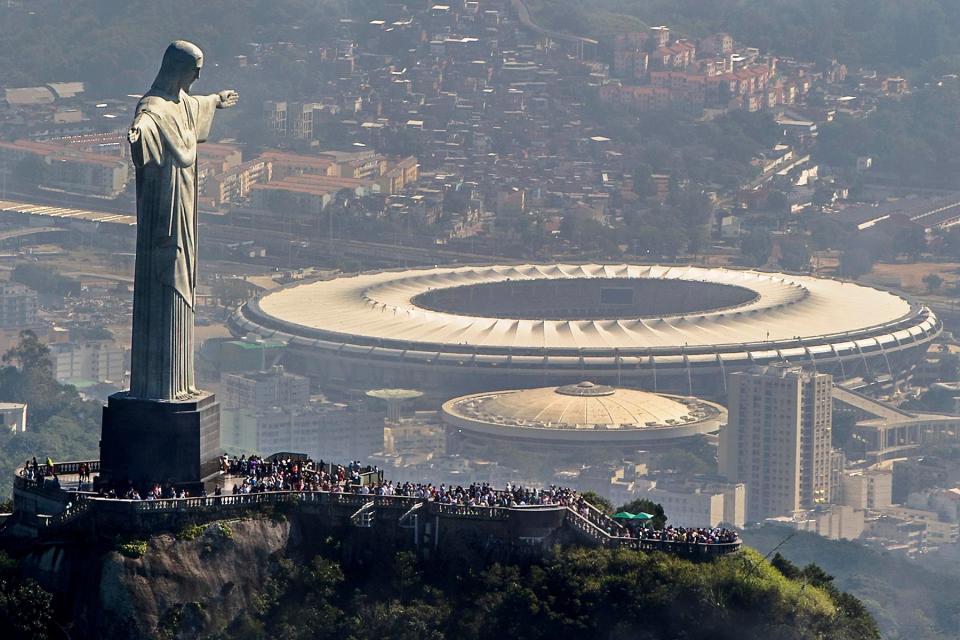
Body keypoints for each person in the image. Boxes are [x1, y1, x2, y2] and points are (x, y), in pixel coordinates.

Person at [127, 40, 238, 400]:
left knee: (184, 281)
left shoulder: (182, 104)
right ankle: (161, 387)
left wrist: (217, 100)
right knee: (166, 280)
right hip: (165, 211)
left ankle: (180, 384)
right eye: (195, 70)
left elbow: (195, 104)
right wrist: (138, 134)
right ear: (177, 69)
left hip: (185, 207)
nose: (198, 77)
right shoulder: (155, 109)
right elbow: (144, 123)